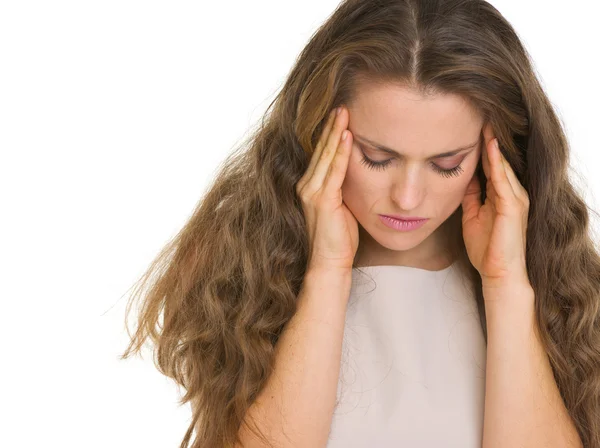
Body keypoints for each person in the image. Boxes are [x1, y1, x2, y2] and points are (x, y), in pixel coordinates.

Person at [120, 0, 598, 447]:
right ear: (320, 130)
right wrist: (327, 271)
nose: (408, 198)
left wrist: (507, 283)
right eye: (376, 158)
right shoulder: (245, 266)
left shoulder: (562, 286)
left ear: (492, 155)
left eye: (447, 163)